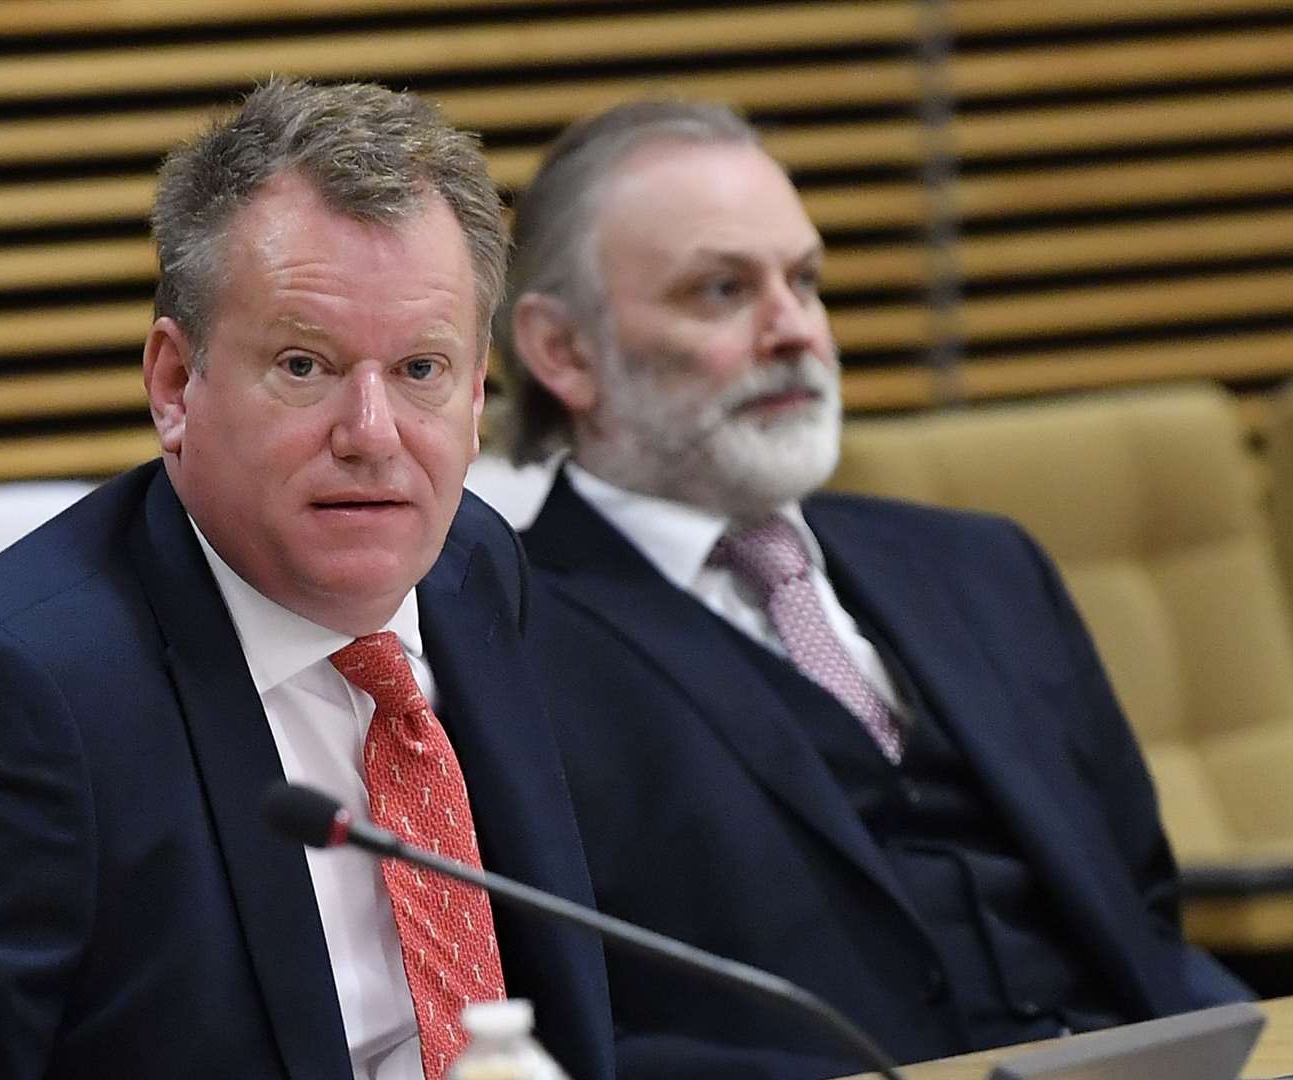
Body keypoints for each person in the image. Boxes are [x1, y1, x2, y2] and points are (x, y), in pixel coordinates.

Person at [0, 78, 614, 1080]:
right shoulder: (16, 703)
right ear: (174, 386)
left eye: (421, 370)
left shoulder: (471, 567)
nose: (372, 438)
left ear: (476, 398)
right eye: (304, 365)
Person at [497, 99, 1251, 1079]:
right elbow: (559, 1023)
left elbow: (1139, 907)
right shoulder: (498, 636)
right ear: (562, 352)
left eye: (805, 281)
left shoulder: (985, 568)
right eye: (723, 290)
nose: (795, 330)